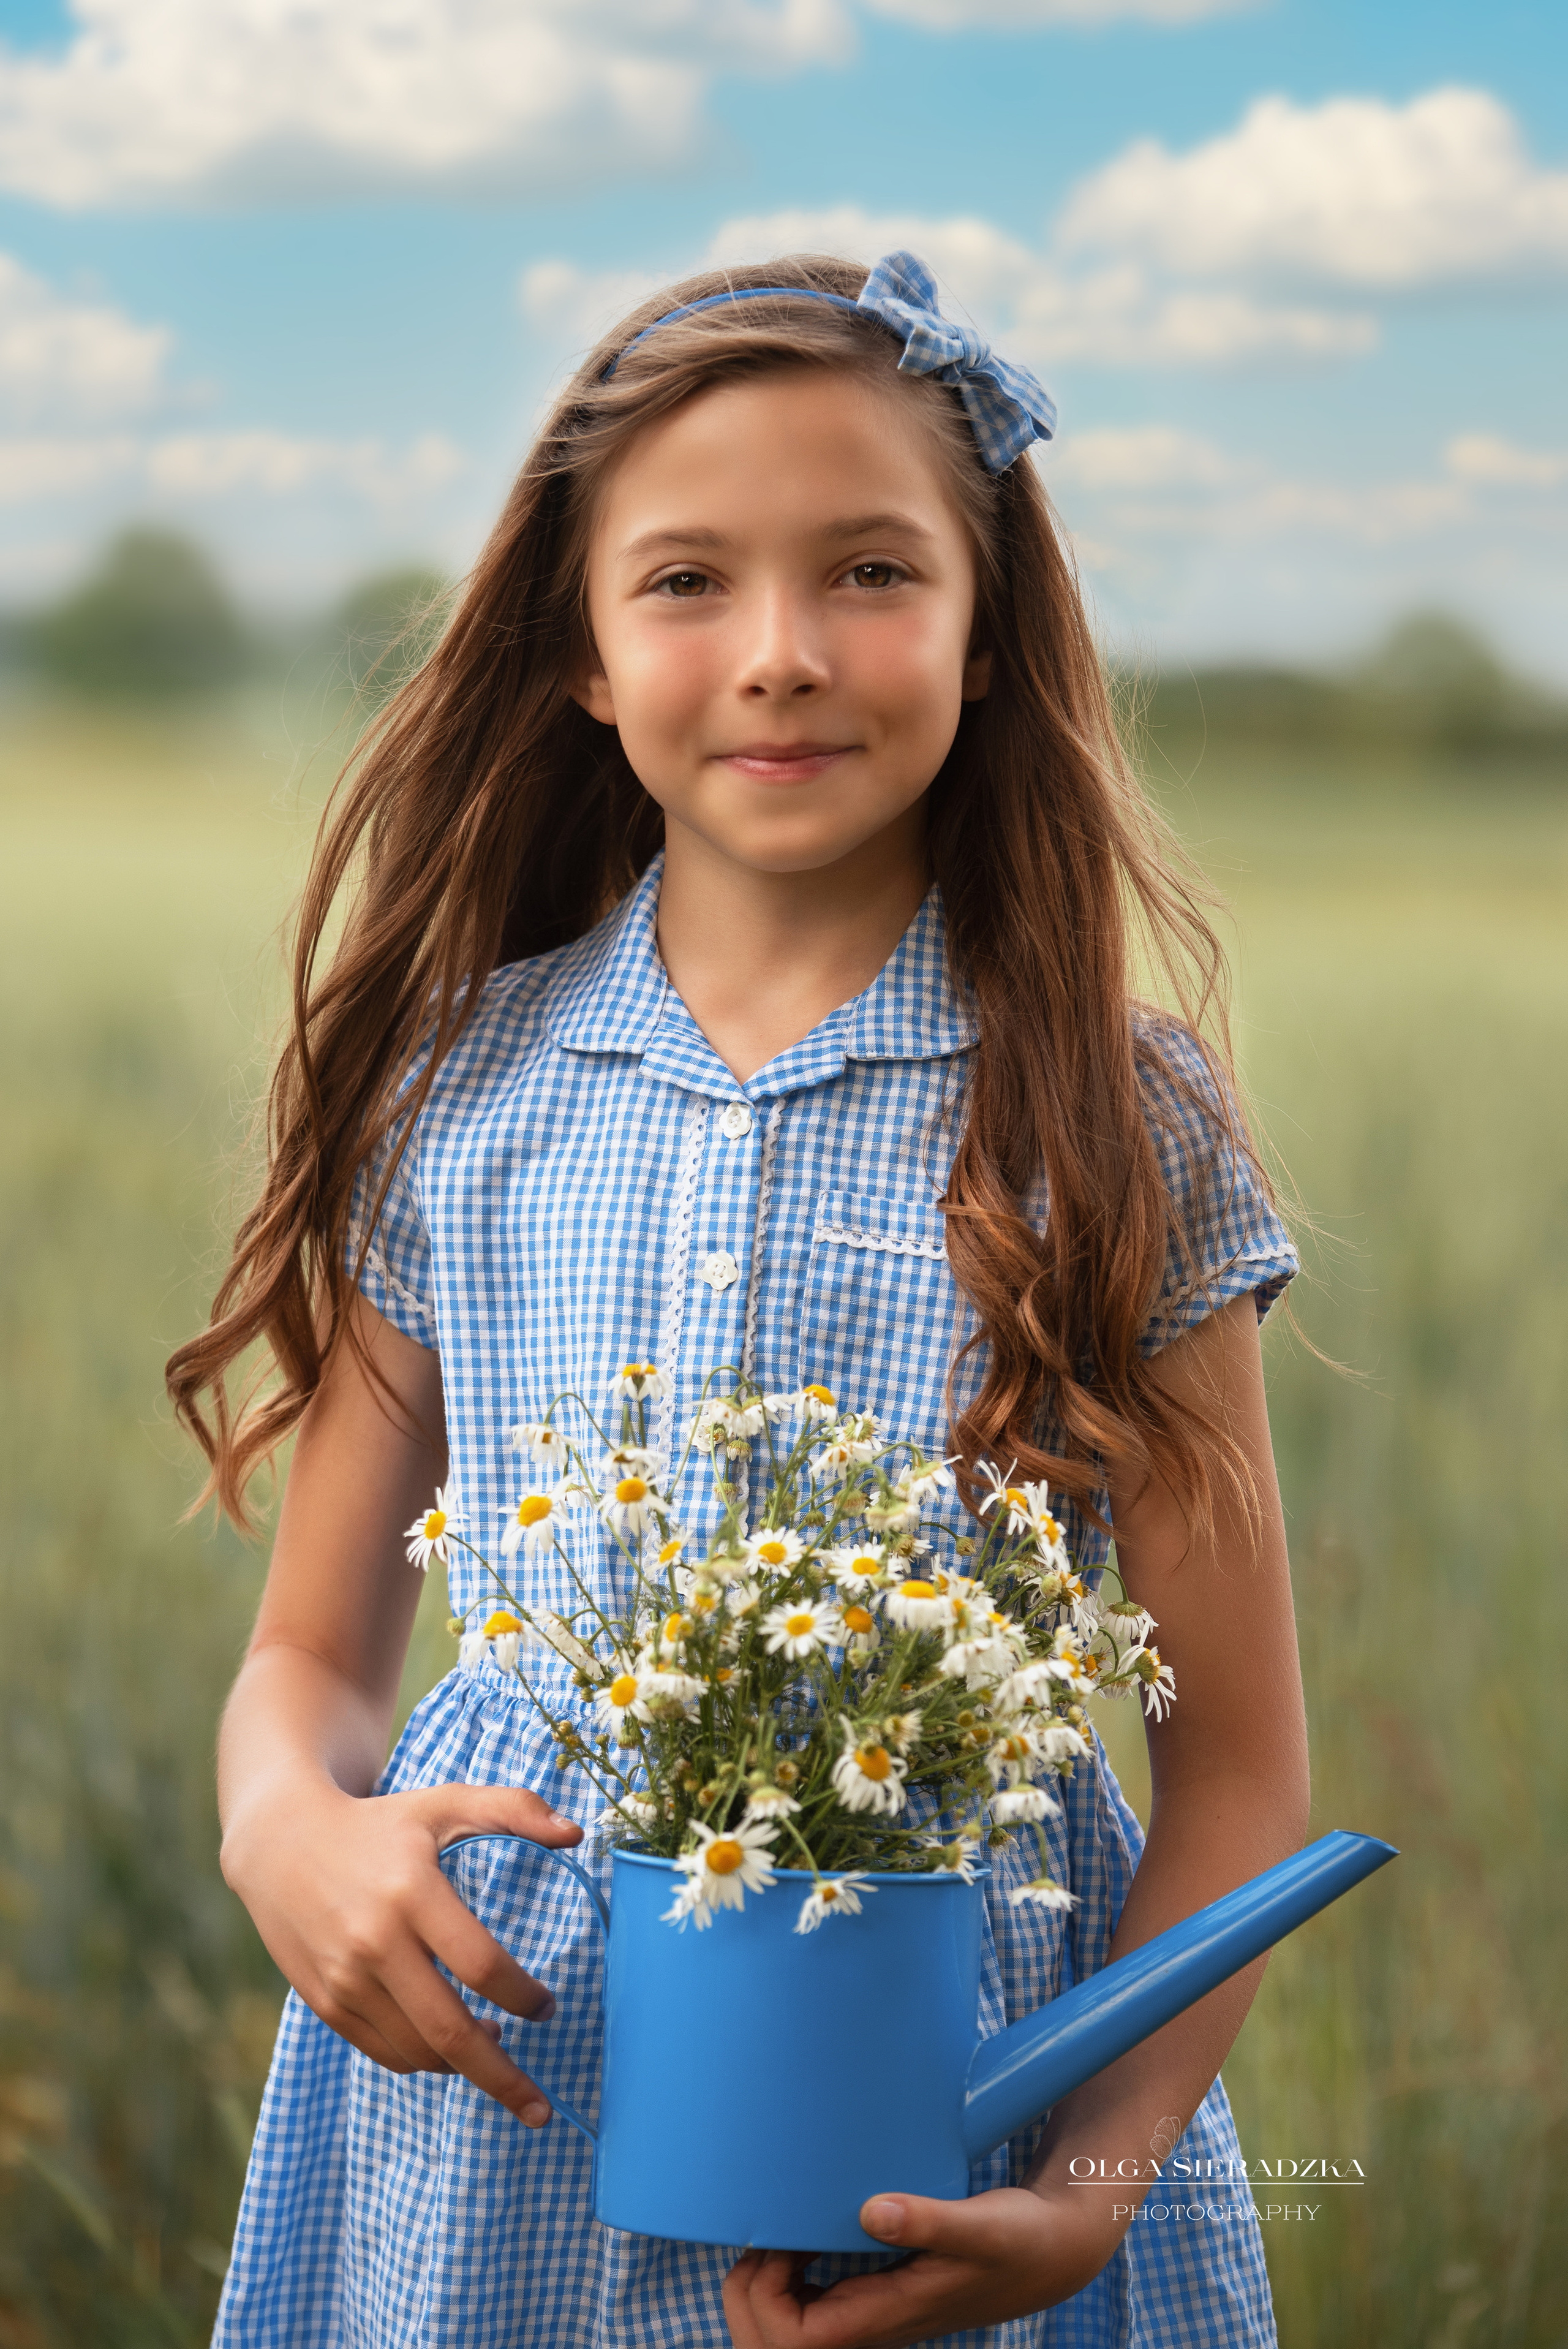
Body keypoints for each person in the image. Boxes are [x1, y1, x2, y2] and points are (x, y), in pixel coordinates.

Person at [168, 251, 1308, 2348]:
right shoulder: (463, 1091)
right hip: (497, 2106)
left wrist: (1083, 2192)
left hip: (960, 2125)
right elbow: (308, 1664)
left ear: (984, 636)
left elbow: (1238, 1770)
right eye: (687, 580)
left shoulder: (1113, 1113)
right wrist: (280, 1834)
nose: (781, 655)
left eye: (871, 570)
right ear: (586, 653)